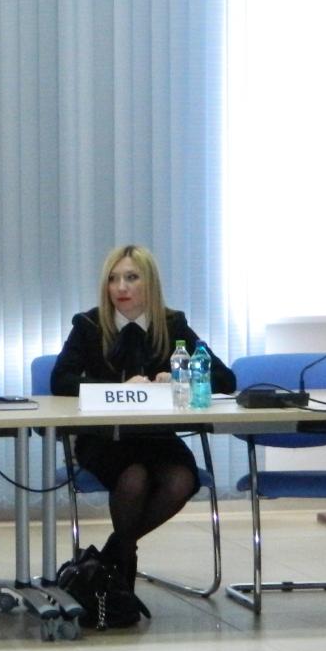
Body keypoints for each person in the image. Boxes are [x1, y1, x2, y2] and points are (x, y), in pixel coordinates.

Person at [50, 243, 235, 582]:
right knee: (133, 478)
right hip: (105, 438)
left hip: (155, 437)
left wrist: (181, 377)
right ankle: (123, 571)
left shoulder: (173, 324)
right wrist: (117, 387)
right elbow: (60, 380)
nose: (120, 287)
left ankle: (110, 556)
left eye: (131, 278)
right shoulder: (89, 325)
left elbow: (225, 378)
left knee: (181, 480)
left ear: (150, 282)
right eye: (113, 279)